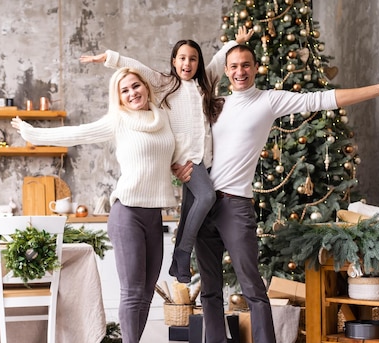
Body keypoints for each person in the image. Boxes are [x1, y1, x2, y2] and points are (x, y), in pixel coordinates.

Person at [173, 44, 379, 343]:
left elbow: (322, 99)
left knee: (253, 288)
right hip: (202, 203)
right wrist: (178, 166)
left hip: (236, 205)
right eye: (234, 66)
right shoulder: (214, 106)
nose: (240, 72)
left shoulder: (268, 101)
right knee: (210, 290)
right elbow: (182, 138)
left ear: (256, 68)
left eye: (246, 66)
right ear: (225, 71)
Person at [12, 67, 177, 343]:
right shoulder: (118, 121)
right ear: (118, 97)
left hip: (154, 213)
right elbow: (77, 133)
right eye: (124, 90)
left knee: (146, 292)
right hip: (126, 211)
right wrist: (35, 134)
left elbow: (179, 149)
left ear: (145, 86)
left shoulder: (164, 118)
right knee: (132, 290)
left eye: (135, 86)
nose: (131, 94)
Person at [80, 27, 253, 283]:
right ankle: (182, 254)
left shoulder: (204, 83)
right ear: (174, 61)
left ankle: (178, 261)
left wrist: (233, 43)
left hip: (203, 160)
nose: (187, 63)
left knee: (191, 208)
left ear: (198, 63)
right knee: (206, 196)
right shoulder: (165, 84)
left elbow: (218, 60)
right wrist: (109, 58)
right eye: (182, 58)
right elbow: (137, 67)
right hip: (184, 160)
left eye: (193, 58)